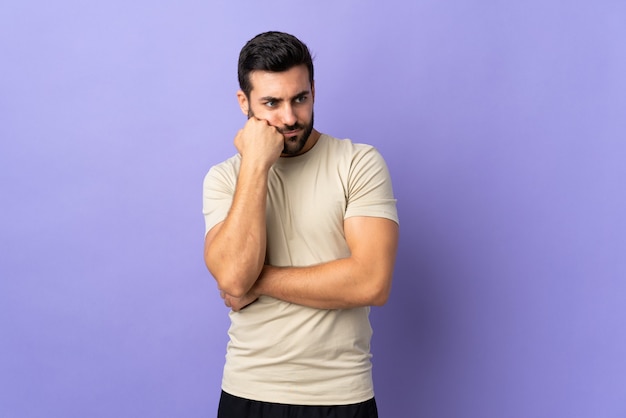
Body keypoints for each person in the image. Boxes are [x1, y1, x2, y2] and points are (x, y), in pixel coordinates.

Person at [202, 31, 399, 418]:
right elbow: (231, 274)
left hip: (341, 393)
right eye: (271, 103)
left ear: (312, 90)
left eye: (300, 99)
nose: (290, 117)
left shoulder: (357, 162)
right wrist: (256, 165)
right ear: (244, 102)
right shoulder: (225, 179)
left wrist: (258, 281)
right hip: (248, 389)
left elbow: (372, 281)